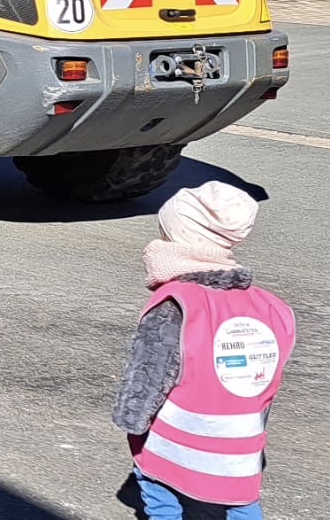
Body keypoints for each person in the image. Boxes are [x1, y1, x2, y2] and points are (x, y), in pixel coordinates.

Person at [113, 182, 296, 520]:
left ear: (178, 238)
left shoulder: (176, 303)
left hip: (176, 435)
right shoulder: (271, 306)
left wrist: (132, 418)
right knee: (241, 501)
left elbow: (150, 371)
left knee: (157, 487)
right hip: (241, 440)